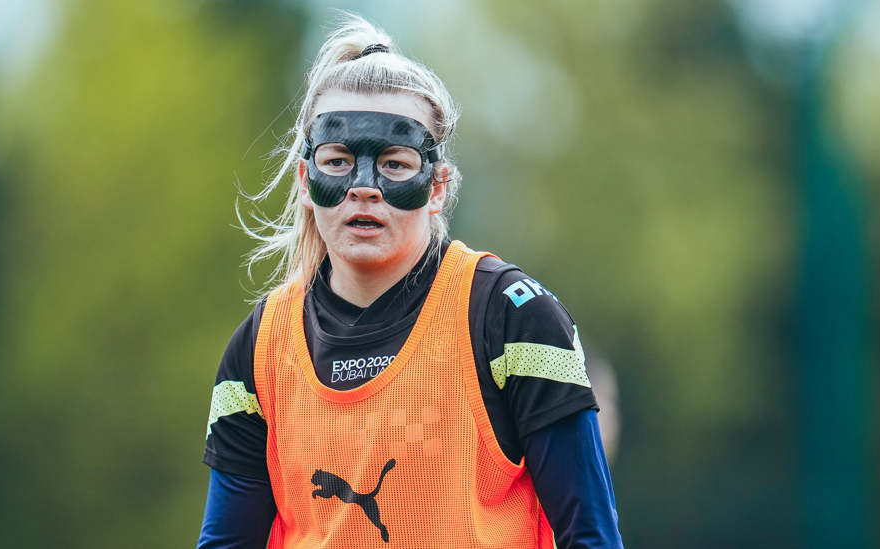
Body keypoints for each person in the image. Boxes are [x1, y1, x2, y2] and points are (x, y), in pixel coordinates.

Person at [198, 13, 623, 549]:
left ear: (438, 185)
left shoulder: (515, 317)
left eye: (395, 164)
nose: (364, 187)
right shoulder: (258, 348)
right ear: (306, 180)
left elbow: (592, 537)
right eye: (339, 160)